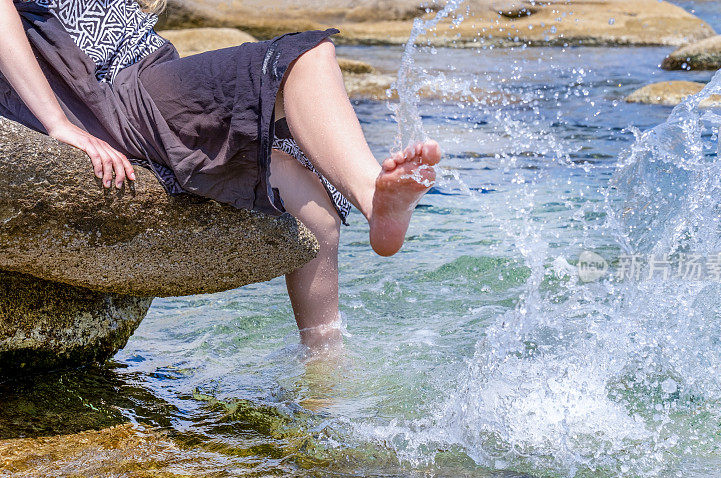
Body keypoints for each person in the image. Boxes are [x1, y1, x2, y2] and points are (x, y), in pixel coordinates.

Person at [0, 0, 442, 350]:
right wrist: (58, 124)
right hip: (105, 89)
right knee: (308, 57)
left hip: (144, 72)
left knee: (306, 193)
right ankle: (372, 196)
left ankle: (324, 368)